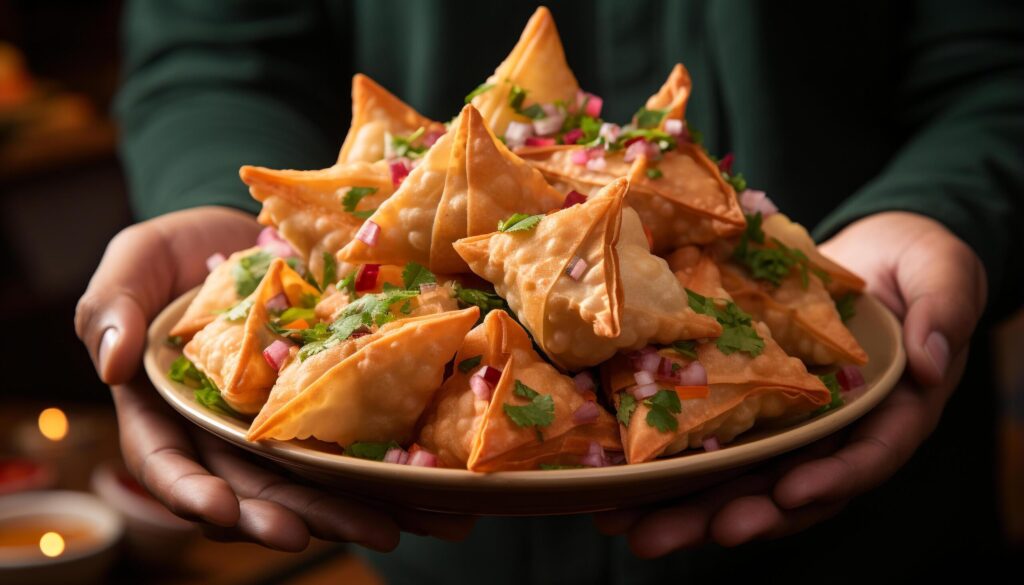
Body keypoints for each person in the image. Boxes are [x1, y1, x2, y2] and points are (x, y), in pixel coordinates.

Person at [76, 0, 1021, 582]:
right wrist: (212, 199)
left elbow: (999, 63)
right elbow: (214, 48)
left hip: (872, 541)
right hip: (436, 553)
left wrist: (943, 208)